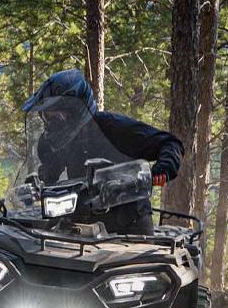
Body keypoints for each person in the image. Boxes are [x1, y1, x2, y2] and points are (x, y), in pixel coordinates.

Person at [22, 69, 184, 236]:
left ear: (73, 110)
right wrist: (37, 184)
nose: (49, 124)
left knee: (143, 251)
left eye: (54, 117)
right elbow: (51, 170)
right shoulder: (58, 140)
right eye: (45, 117)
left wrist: (159, 171)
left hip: (131, 224)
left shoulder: (112, 127)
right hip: (85, 225)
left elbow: (170, 143)